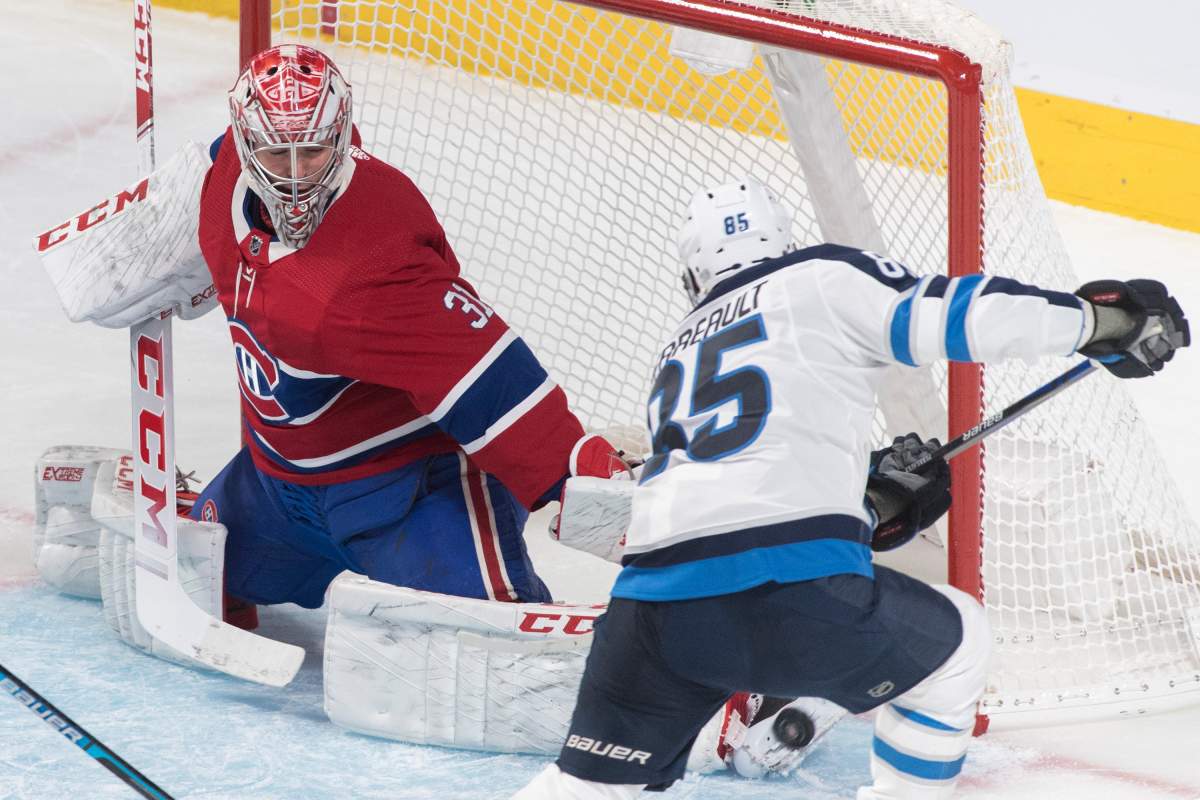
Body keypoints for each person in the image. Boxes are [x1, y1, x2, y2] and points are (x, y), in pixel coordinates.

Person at [512, 177, 1189, 799]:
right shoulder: (819, 275)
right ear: (786, 244)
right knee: (958, 645)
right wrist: (1100, 323)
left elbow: (731, 489)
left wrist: (866, 506)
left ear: (693, 274)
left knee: (584, 788)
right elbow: (956, 316)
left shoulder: (677, 350)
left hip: (648, 613)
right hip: (780, 592)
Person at [191, 43, 627, 624]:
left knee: (485, 652)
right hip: (275, 489)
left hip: (407, 491)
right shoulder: (221, 180)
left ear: (344, 135)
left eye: (315, 153)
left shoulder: (375, 258)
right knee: (194, 574)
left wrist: (574, 473)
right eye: (277, 155)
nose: (295, 180)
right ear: (244, 145)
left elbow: (486, 374)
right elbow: (187, 199)